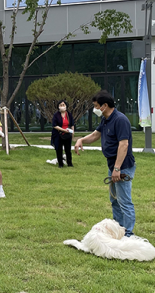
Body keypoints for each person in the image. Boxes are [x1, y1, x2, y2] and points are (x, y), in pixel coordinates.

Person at [75, 90, 141, 239]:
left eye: (96, 106)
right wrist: (81, 140)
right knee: (115, 200)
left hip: (123, 166)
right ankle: (118, 230)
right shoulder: (105, 119)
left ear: (105, 105)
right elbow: (95, 135)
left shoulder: (120, 120)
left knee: (124, 201)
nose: (95, 109)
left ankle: (128, 234)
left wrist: (117, 169)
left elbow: (123, 145)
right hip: (112, 165)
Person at [51, 100, 75, 168]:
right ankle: (60, 164)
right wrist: (64, 130)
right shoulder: (56, 115)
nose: (62, 106)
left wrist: (72, 132)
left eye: (63, 105)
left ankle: (70, 163)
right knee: (59, 149)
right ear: (58, 107)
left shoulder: (69, 114)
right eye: (61, 105)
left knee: (68, 150)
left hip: (67, 135)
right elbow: (54, 125)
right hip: (58, 134)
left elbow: (72, 124)